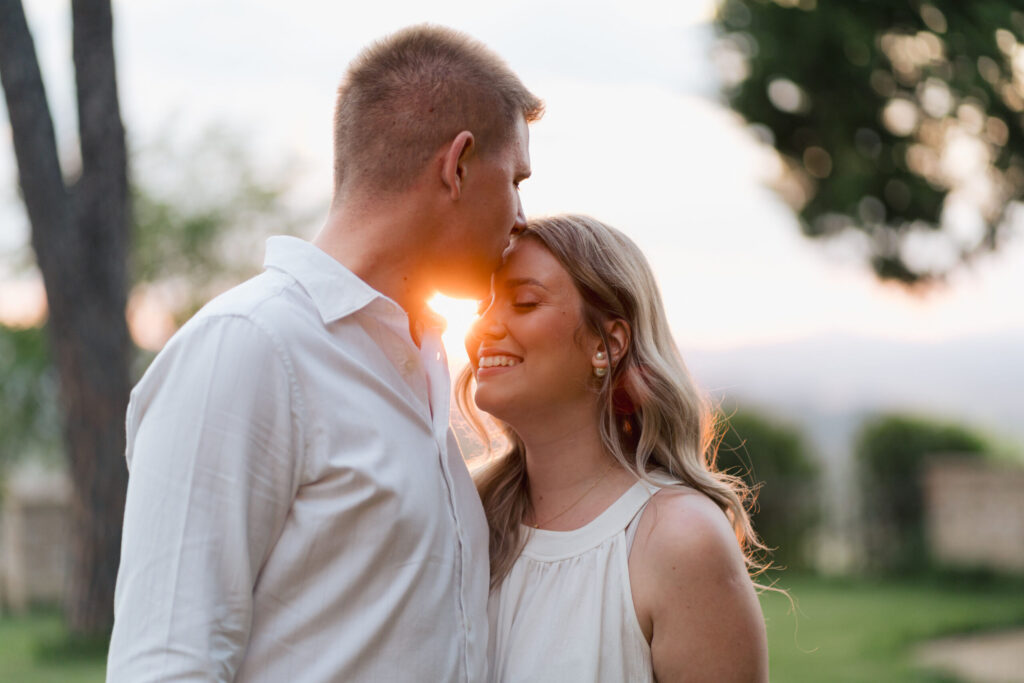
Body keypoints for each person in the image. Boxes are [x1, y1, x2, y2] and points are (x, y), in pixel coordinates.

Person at [107, 25, 542, 681]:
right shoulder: (249, 347)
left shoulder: (422, 364)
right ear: (457, 165)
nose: (520, 217)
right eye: (515, 179)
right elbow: (168, 661)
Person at [457, 214, 770, 682]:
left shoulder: (679, 540)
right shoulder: (464, 516)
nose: (482, 329)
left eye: (523, 302)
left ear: (608, 345)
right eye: (483, 305)